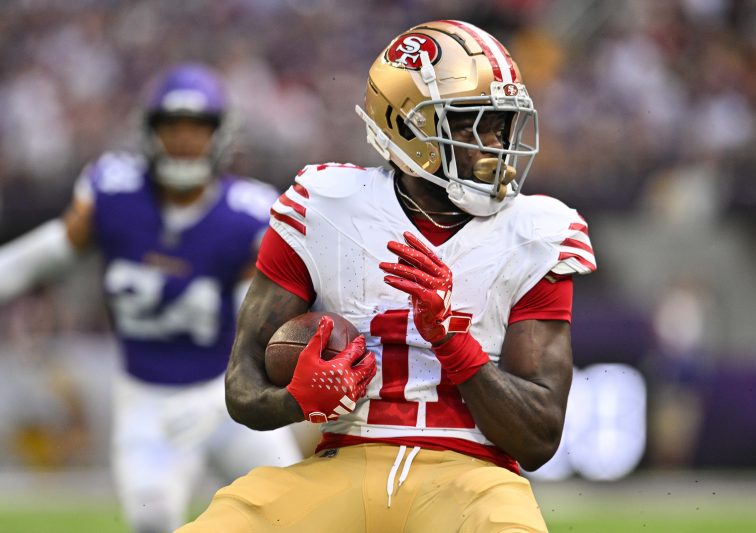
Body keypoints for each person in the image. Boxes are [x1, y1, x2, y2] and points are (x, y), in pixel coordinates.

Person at [179, 20, 596, 533]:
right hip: (343, 462)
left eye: (500, 125)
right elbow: (242, 387)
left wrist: (451, 341)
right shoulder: (323, 207)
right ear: (406, 127)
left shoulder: (535, 231)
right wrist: (297, 399)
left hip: (471, 478)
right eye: (471, 125)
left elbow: (538, 438)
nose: (494, 145)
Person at [0, 63, 303, 532]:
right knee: (152, 520)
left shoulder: (246, 213)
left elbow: (259, 323)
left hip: (227, 394)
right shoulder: (115, 193)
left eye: (196, 128)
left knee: (297, 510)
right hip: (146, 399)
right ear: (149, 131)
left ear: (220, 135)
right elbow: (43, 256)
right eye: (172, 127)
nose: (183, 139)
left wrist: (219, 398)